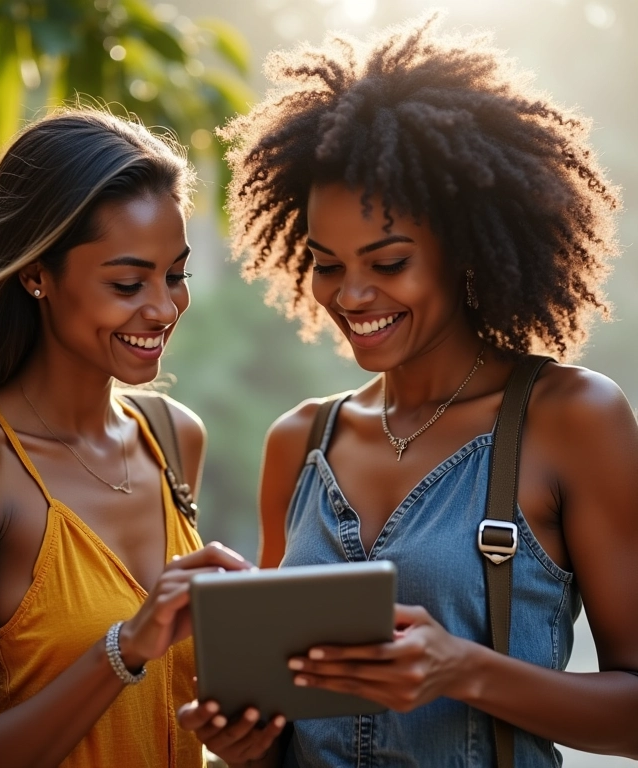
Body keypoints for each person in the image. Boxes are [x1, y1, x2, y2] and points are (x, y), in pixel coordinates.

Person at [178, 13, 638, 767]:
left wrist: (464, 671)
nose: (351, 295)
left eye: (388, 263)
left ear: (465, 250)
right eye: (327, 263)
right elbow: (289, 719)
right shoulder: (300, 440)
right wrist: (247, 744)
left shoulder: (571, 420)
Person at [0, 107, 253, 768]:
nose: (163, 308)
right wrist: (124, 648)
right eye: (127, 283)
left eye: (176, 276)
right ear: (36, 275)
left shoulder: (173, 438)